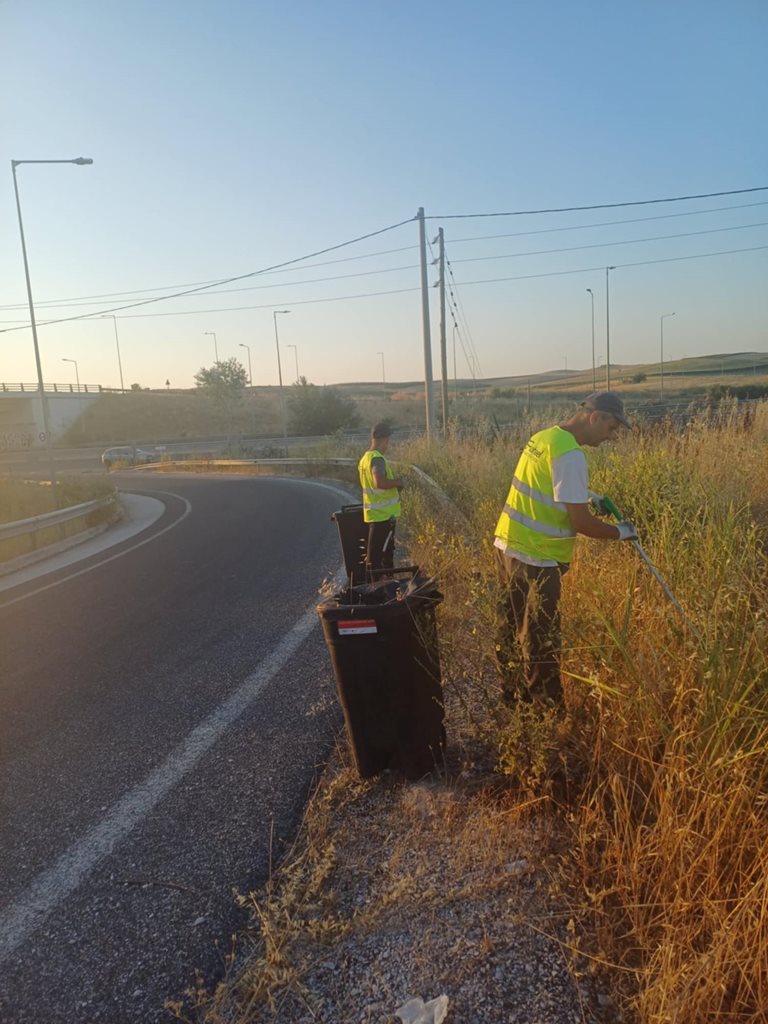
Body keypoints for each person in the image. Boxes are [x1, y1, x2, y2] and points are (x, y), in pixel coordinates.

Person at [494, 391, 638, 706]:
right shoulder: (571, 455)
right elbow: (581, 523)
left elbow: (548, 484)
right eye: (611, 427)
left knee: (510, 628)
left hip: (507, 545)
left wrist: (586, 493)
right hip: (537, 559)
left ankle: (511, 700)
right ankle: (546, 716)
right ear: (595, 416)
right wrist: (620, 532)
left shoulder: (545, 437)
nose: (612, 436)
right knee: (542, 642)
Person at [358, 422, 406, 576]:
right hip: (383, 518)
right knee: (382, 560)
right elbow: (380, 482)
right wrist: (399, 482)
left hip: (376, 515)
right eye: (388, 441)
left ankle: (380, 589)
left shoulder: (365, 458)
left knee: (376, 558)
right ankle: (381, 592)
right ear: (385, 439)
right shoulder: (378, 459)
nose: (388, 444)